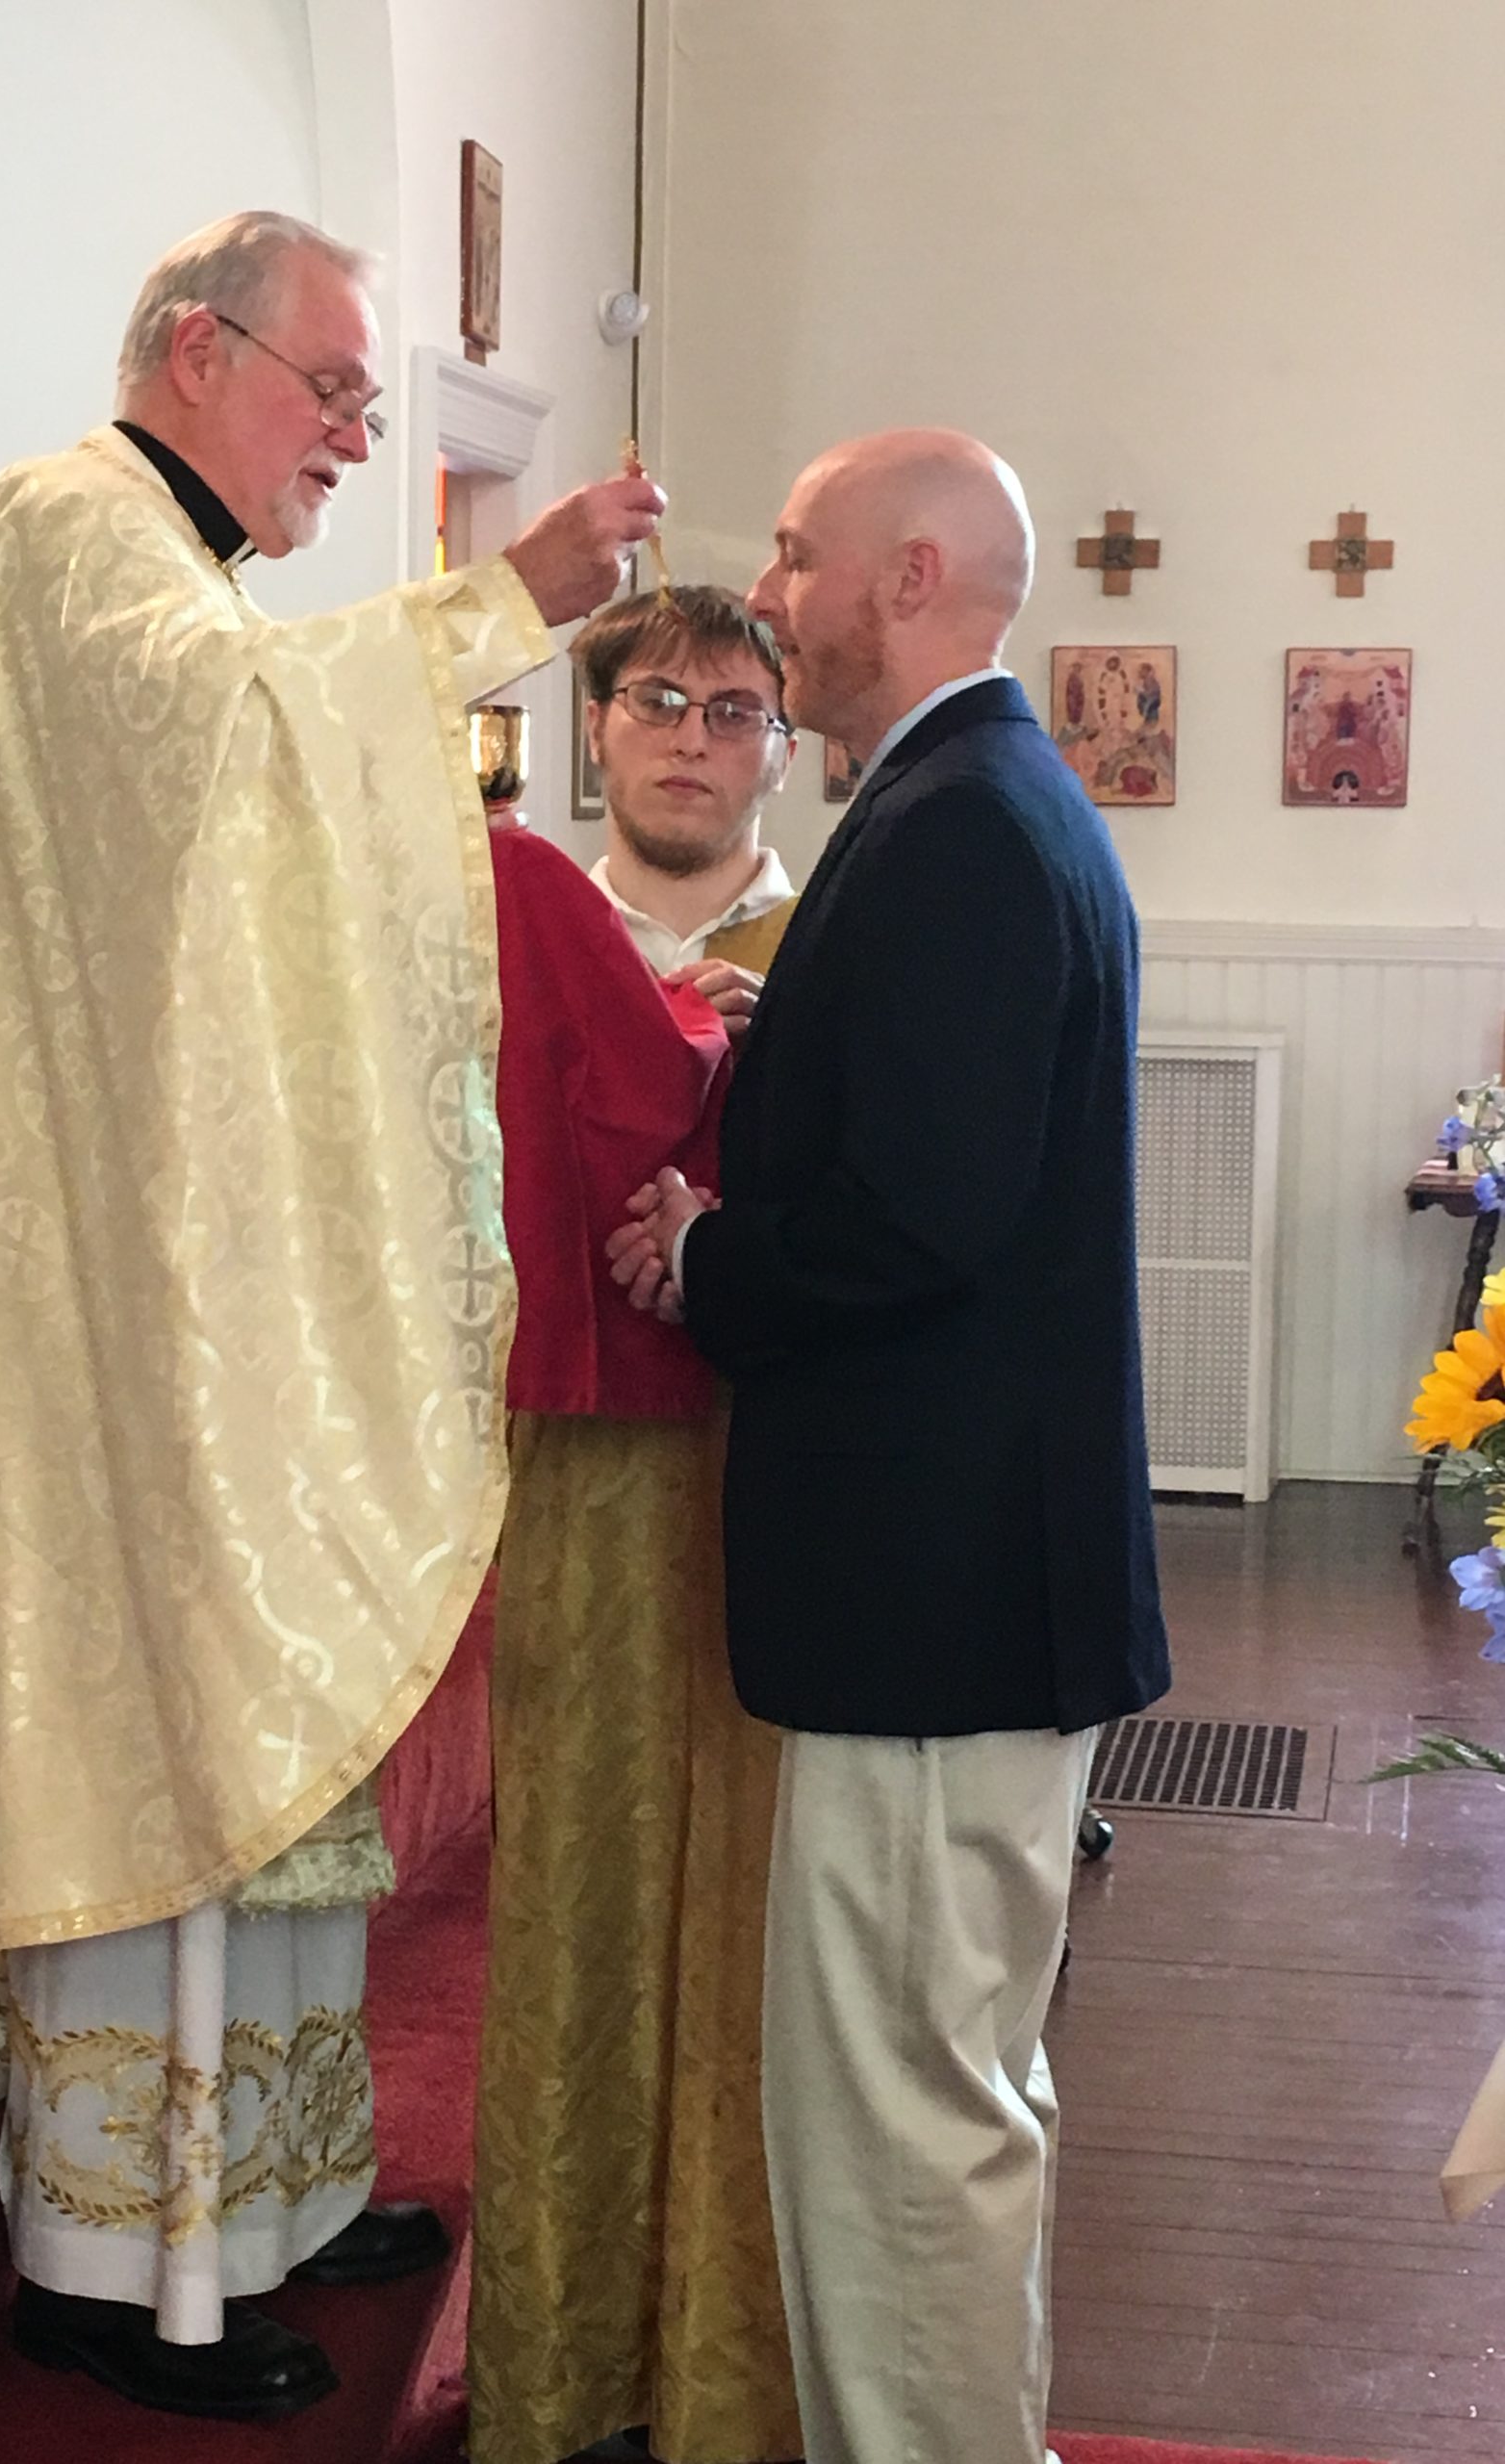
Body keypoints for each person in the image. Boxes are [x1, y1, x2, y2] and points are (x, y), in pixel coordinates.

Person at [0, 208, 661, 2426]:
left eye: (365, 396)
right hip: (87, 1321)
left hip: (194, 1284)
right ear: (195, 349)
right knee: (152, 1740)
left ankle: (272, 2181)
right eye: (330, 387)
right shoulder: (66, 536)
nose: (356, 432)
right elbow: (227, 740)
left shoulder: (192, 574)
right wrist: (502, 601)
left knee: (265, 1726)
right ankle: (108, 2257)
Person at [608, 431, 1171, 2464]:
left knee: (903, 2126)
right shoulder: (986, 797)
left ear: (907, 575)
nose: (771, 595)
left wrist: (712, 1254)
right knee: (943, 2101)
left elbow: (924, 1215)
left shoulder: (956, 825)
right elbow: (944, 1136)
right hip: (961, 1587)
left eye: (795, 554)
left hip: (933, 1605)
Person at [469, 586, 803, 2464]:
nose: (691, 735)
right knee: (578, 1899)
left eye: (733, 708)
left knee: (759, 1917)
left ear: (781, 749)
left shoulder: (832, 943)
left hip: (774, 1471)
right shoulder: (513, 925)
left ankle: (733, 2373)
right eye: (657, 699)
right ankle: (562, 2365)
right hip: (580, 1479)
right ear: (593, 727)